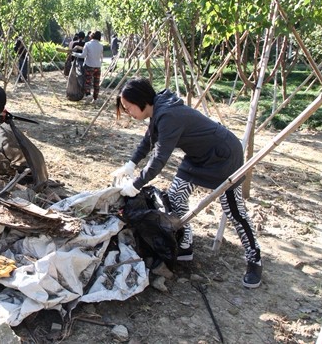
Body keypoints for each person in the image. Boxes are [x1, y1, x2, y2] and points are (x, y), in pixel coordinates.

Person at [112, 77, 262, 288]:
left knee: (233, 210)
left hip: (224, 156)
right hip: (198, 156)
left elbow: (159, 158)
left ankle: (254, 258)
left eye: (128, 108)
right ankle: (185, 244)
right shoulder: (158, 110)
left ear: (141, 100)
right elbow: (148, 140)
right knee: (175, 195)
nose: (128, 112)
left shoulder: (168, 115)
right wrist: (131, 164)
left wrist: (136, 184)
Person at [73, 31, 103, 102]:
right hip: (98, 66)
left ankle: (88, 94)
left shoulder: (87, 44)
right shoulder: (101, 45)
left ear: (92, 36)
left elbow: (83, 55)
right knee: (96, 83)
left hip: (89, 65)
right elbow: (100, 56)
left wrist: (74, 54)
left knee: (88, 81)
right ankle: (95, 98)